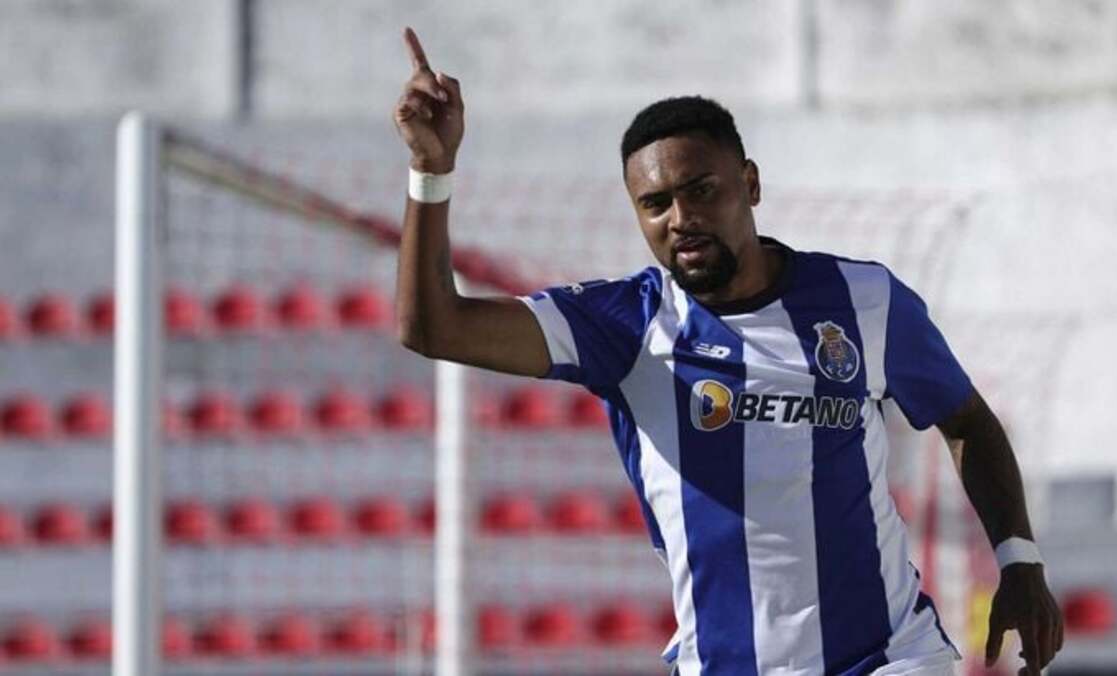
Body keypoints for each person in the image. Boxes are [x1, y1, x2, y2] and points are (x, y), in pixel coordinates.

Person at [392, 27, 1063, 676]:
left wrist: (1019, 560)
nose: (680, 218)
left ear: (751, 183)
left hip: (887, 658)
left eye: (701, 191)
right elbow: (433, 327)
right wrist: (431, 170)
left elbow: (965, 418)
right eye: (655, 203)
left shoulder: (865, 300)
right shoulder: (625, 325)